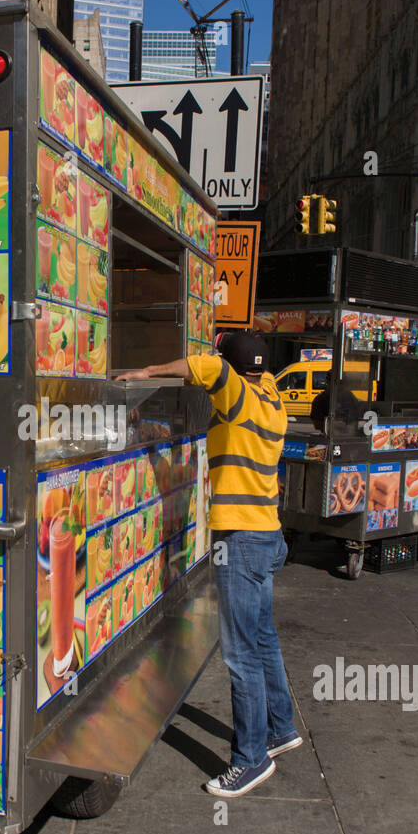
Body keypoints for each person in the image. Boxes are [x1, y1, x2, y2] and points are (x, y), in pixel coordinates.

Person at [117, 331, 299, 798]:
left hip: (240, 539)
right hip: (268, 533)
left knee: (240, 655)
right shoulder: (271, 396)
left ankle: (251, 760)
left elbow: (210, 368)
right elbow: (233, 364)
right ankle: (281, 728)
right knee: (263, 637)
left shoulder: (236, 395)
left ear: (235, 369)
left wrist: (146, 373)